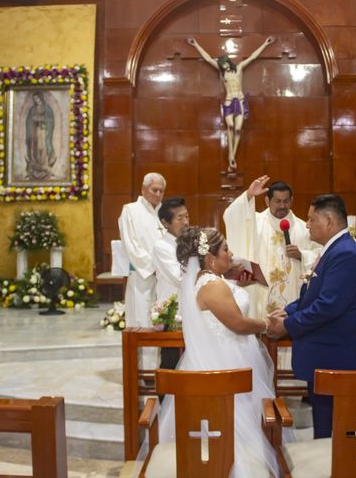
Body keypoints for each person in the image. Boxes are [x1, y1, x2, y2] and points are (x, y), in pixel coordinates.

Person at [152, 227, 282, 477]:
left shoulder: (212, 280)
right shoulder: (211, 285)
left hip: (233, 354)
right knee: (230, 424)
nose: (230, 254)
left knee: (238, 424)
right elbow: (237, 324)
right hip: (225, 360)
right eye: (225, 249)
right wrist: (267, 324)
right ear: (210, 258)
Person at [266, 194, 356, 438]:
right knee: (324, 425)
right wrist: (288, 310)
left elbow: (328, 306)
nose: (307, 224)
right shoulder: (333, 250)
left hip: (335, 356)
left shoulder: (345, 254)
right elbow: (312, 295)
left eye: (312, 219)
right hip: (325, 355)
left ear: (329, 221)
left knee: (336, 430)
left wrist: (288, 325)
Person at [223, 175, 320, 320]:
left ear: (292, 201)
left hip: (292, 297)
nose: (282, 206)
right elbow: (232, 216)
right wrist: (249, 194)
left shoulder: (304, 229)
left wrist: (301, 255)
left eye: (286, 201)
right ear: (267, 201)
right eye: (278, 201)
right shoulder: (255, 223)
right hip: (260, 296)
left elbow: (321, 254)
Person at [187, 36, 275, 171]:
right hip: (228, 101)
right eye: (221, 64)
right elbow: (208, 58)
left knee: (238, 130)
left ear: (228, 62)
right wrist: (196, 45)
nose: (223, 65)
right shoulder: (222, 74)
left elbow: (252, 57)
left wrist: (265, 44)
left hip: (239, 101)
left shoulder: (239, 69)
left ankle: (232, 155)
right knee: (230, 126)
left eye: (224, 63)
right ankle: (230, 156)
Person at [118, 172, 166, 328]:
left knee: (164, 317)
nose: (158, 194)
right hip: (142, 275)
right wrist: (154, 266)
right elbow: (130, 244)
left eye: (161, 191)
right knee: (142, 319)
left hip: (164, 276)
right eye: (154, 190)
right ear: (143, 189)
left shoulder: (165, 213)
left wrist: (165, 267)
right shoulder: (131, 210)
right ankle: (145, 353)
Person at [152, 197, 189, 370]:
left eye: (187, 216)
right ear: (165, 223)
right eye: (180, 218)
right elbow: (179, 277)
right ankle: (166, 397)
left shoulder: (188, 243)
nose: (186, 222)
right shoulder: (161, 247)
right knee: (171, 362)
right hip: (172, 313)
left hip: (190, 310)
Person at [25, 91, 56, 180]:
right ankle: (35, 166)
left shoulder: (47, 108)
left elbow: (50, 120)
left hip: (43, 131)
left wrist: (42, 119)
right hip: (34, 131)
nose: (36, 100)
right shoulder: (32, 109)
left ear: (40, 98)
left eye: (37, 98)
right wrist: (32, 120)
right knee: (34, 148)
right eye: (34, 99)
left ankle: (44, 166)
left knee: (42, 148)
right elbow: (28, 121)